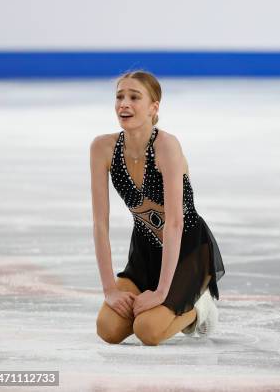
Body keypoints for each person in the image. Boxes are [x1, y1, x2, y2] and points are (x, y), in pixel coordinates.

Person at [90, 70, 225, 346]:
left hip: (187, 250)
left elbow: (175, 223)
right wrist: (109, 290)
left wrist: (162, 291)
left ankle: (199, 309)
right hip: (145, 253)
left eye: (134, 97)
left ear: (154, 107)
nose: (123, 104)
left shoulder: (167, 146)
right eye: (119, 97)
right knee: (108, 329)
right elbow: (100, 223)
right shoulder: (102, 148)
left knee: (148, 330)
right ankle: (164, 305)